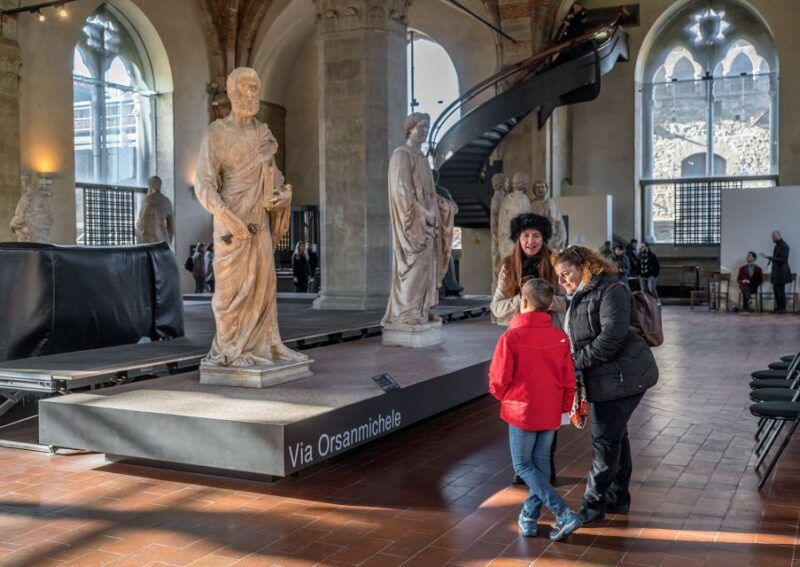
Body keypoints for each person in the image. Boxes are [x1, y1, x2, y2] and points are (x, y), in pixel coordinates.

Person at [194, 67, 306, 367]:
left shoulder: (262, 133)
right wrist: (225, 215)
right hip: (233, 223)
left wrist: (284, 195)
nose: (253, 94)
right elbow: (203, 183)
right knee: (232, 292)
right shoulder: (216, 133)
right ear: (231, 91)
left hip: (260, 221)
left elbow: (275, 177)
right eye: (247, 88)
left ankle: (269, 344)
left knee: (265, 285)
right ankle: (231, 350)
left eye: (256, 88)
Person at [554, 245, 658, 525]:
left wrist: (575, 362)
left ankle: (592, 505)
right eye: (559, 276)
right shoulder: (580, 293)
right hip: (608, 376)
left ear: (584, 267)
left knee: (604, 443)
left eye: (567, 274)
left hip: (623, 377)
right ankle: (618, 499)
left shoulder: (612, 289)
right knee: (615, 438)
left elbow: (611, 337)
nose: (562, 281)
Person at [489, 278, 581, 542]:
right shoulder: (560, 337)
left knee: (522, 465)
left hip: (521, 410)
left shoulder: (511, 337)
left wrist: (502, 397)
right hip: (550, 409)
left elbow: (498, 378)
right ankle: (528, 518)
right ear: (550, 305)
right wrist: (564, 409)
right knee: (539, 467)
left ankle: (562, 512)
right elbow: (568, 380)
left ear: (523, 302)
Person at [492, 212, 566, 486]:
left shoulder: (556, 261)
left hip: (549, 340)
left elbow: (568, 301)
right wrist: (522, 298)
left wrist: (544, 301)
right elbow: (496, 307)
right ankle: (523, 467)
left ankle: (547, 465)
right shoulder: (508, 267)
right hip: (520, 344)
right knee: (522, 402)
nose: (531, 241)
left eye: (536, 236)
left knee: (549, 401)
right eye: (526, 236)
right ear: (518, 238)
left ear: (544, 238)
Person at [760, 231, 792, 313]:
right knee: (776, 290)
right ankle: (778, 307)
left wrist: (769, 257)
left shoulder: (784, 245)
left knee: (780, 291)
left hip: (782, 273)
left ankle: (782, 309)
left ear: (777, 236)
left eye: (773, 237)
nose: (772, 239)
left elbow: (783, 260)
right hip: (777, 272)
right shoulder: (778, 245)